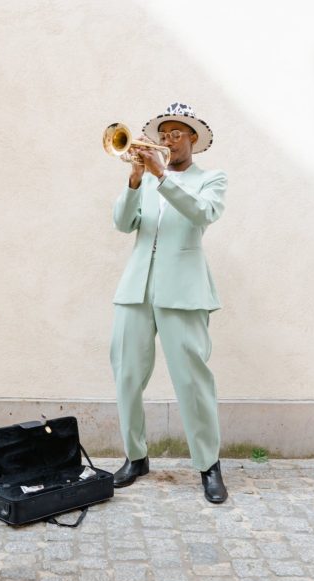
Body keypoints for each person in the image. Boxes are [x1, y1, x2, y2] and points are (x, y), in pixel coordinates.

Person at [109, 102, 228, 503]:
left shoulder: (211, 179)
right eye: (164, 133)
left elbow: (200, 214)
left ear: (193, 138)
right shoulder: (144, 181)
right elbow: (123, 224)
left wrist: (162, 178)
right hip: (136, 288)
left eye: (177, 133)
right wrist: (134, 180)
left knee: (192, 380)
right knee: (127, 373)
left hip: (184, 290)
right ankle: (135, 456)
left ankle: (208, 465)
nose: (168, 140)